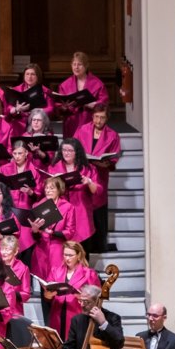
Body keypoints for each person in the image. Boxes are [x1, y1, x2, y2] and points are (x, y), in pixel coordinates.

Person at [74, 104, 121, 253]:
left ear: (107, 118)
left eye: (102, 117)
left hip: (99, 175)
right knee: (84, 209)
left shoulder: (112, 135)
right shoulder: (83, 130)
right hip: (83, 172)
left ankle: (99, 245)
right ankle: (84, 246)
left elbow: (114, 158)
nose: (98, 120)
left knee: (98, 208)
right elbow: (73, 148)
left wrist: (105, 163)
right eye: (96, 117)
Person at [43, 241, 100, 340]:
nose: (67, 258)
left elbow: (97, 299)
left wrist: (82, 297)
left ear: (78, 255)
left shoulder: (89, 274)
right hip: (57, 315)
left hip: (76, 315)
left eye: (70, 255)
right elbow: (48, 297)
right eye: (65, 255)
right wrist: (48, 295)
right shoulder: (55, 271)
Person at [29, 176, 77, 277]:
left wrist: (53, 233)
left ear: (59, 190)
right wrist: (35, 230)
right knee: (43, 281)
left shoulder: (68, 207)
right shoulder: (36, 206)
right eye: (46, 188)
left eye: (52, 188)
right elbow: (34, 235)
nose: (48, 191)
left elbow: (70, 231)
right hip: (41, 249)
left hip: (58, 249)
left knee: (56, 279)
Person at [57, 51, 110, 137]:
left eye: (79, 64)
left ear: (86, 66)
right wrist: (63, 107)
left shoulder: (97, 83)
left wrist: (94, 105)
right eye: (74, 64)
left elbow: (104, 103)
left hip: (89, 120)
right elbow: (59, 105)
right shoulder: (65, 85)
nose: (76, 67)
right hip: (71, 123)